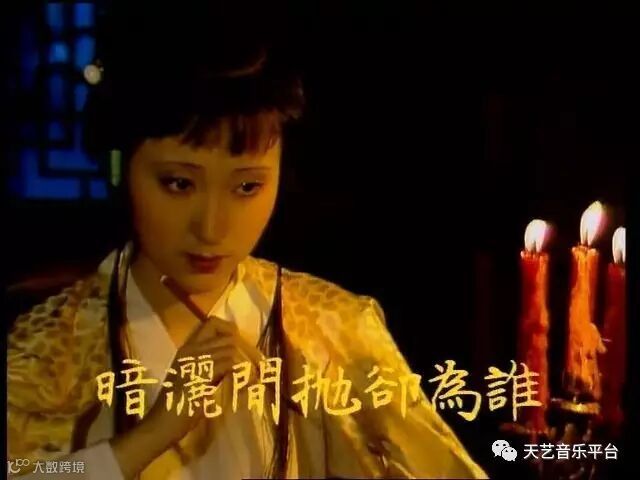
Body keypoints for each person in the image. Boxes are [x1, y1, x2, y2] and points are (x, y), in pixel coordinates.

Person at [7, 3, 487, 479]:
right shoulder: (49, 349)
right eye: (179, 183)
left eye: (247, 187)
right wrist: (148, 437)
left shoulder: (335, 328)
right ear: (121, 167)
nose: (212, 229)